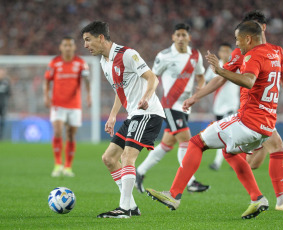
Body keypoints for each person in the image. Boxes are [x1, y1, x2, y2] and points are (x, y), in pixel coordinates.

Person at [146, 21, 283, 219]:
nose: (237, 43)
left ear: (248, 38)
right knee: (229, 152)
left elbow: (249, 81)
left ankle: (174, 195)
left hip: (247, 121)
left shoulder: (252, 55)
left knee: (196, 143)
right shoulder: (275, 53)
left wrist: (220, 69)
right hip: (266, 125)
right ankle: (257, 198)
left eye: (238, 39)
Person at [81, 21, 165, 219]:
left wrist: (146, 97)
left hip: (148, 113)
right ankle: (132, 207)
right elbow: (121, 89)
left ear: (101, 37)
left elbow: (153, 78)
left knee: (127, 157)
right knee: (109, 159)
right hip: (134, 115)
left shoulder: (127, 54)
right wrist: (112, 115)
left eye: (88, 40)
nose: (85, 45)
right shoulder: (104, 62)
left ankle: (124, 208)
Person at [233, 10, 283, 211]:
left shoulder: (277, 51)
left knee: (255, 162)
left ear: (263, 27)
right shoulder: (242, 51)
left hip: (267, 112)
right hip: (252, 111)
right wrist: (199, 94)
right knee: (276, 145)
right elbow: (225, 74)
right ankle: (279, 200)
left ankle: (240, 159)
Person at [135, 23, 209, 193]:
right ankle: (190, 181)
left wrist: (200, 90)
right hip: (170, 104)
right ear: (173, 37)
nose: (181, 38)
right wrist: (146, 97)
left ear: (189, 37)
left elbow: (200, 76)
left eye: (184, 35)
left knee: (167, 144)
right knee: (186, 141)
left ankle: (140, 172)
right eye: (178, 35)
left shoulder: (195, 56)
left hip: (185, 106)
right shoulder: (165, 56)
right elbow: (152, 77)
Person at [44, 36, 91, 177]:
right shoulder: (54, 63)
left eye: (70, 45)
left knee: (71, 134)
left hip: (74, 105)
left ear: (74, 47)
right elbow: (46, 81)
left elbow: (87, 80)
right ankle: (58, 165)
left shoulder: (81, 63)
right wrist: (46, 96)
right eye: (65, 45)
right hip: (58, 104)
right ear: (61, 47)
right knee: (58, 132)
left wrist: (89, 95)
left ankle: (68, 167)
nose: (68, 48)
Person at [204, 43, 240, 171]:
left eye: (227, 51)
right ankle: (238, 159)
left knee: (223, 133)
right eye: (222, 51)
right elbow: (206, 81)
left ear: (231, 52)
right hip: (218, 106)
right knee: (228, 135)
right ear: (219, 53)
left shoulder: (236, 65)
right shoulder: (214, 66)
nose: (225, 53)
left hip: (231, 105)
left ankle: (217, 163)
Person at [0, 68, 11, 140]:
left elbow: (9, 94)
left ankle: (1, 137)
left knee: (2, 122)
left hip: (3, 105)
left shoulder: (6, 82)